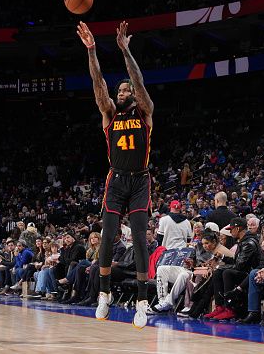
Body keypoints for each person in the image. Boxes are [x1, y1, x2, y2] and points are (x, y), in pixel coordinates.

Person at [77, 20, 154, 328]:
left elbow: (139, 81)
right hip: (116, 178)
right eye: (119, 89)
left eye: (126, 89)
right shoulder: (109, 114)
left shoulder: (145, 111)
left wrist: (125, 51)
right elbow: (98, 84)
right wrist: (92, 50)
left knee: (138, 238)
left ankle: (142, 301)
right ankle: (104, 295)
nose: (122, 92)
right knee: (108, 236)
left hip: (140, 180)